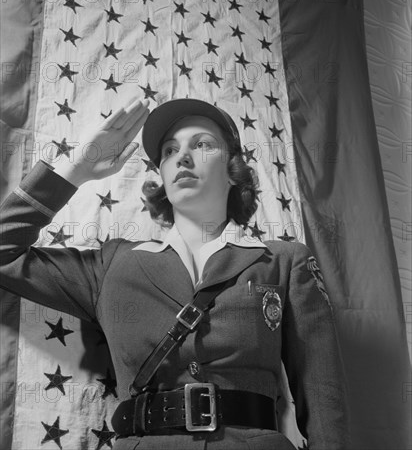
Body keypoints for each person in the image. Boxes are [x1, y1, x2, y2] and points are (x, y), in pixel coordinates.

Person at [0, 97, 349, 450]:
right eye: (169, 150)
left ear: (233, 169)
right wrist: (74, 170)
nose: (182, 156)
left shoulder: (283, 261)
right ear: (162, 180)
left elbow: (323, 399)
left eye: (202, 144)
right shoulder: (112, 265)